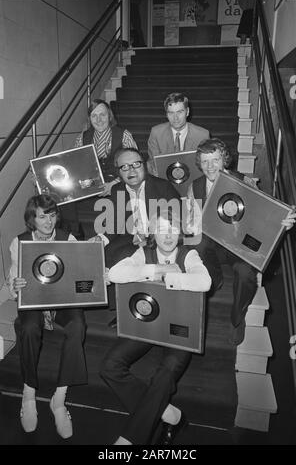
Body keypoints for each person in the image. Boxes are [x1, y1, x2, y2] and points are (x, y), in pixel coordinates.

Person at [100, 210, 212, 445]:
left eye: (172, 229)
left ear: (180, 232)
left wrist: (173, 277)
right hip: (149, 325)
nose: (168, 236)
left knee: (164, 373)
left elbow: (205, 281)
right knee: (109, 366)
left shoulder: (188, 253)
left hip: (179, 327)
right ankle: (170, 414)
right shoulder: (144, 252)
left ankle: (130, 440)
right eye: (161, 230)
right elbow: (117, 273)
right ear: (152, 233)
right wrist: (155, 270)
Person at [187, 138, 296, 345]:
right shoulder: (195, 187)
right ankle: (215, 278)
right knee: (196, 245)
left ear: (224, 160)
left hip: (240, 244)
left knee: (246, 273)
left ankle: (238, 318)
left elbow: (265, 214)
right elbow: (191, 221)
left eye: (215, 160)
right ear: (199, 164)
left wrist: (283, 223)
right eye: (205, 162)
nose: (210, 167)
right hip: (212, 242)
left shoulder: (245, 182)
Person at [9, 194, 87, 438]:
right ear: (32, 218)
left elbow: (81, 272)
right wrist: (16, 285)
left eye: (52, 215)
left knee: (77, 326)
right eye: (42, 216)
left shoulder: (68, 238)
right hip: (33, 301)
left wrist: (96, 276)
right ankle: (29, 393)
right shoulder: (19, 242)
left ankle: (59, 399)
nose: (48, 221)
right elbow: (13, 282)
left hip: (62, 301)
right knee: (29, 328)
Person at [60, 99, 138, 237]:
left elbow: (135, 166)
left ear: (109, 116)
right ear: (90, 119)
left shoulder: (124, 135)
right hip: (91, 182)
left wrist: (112, 184)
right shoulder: (83, 138)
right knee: (64, 192)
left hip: (117, 180)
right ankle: (74, 233)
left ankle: (113, 237)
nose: (99, 119)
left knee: (121, 194)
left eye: (102, 114)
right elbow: (72, 164)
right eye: (94, 116)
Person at [95, 147, 181, 269]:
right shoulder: (117, 190)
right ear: (119, 173)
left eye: (136, 164)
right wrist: (100, 238)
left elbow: (175, 222)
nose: (131, 171)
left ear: (144, 166)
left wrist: (150, 240)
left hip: (159, 238)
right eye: (124, 167)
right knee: (106, 254)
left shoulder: (163, 187)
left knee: (125, 257)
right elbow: (114, 224)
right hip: (132, 237)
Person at [147, 92, 210, 175]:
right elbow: (154, 164)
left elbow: (205, 166)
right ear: (166, 114)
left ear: (187, 112)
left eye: (179, 112)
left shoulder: (202, 135)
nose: (175, 118)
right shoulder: (156, 133)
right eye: (171, 113)